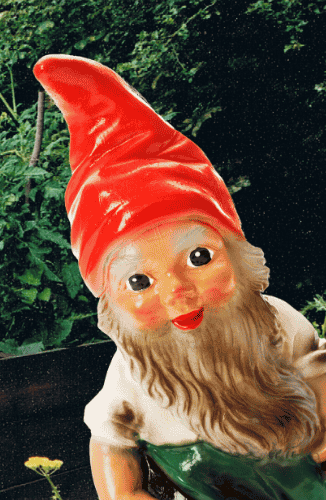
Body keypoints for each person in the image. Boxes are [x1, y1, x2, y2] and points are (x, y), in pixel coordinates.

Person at [32, 54, 326, 500]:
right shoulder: (132, 377)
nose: (177, 292)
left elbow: (315, 371)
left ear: (237, 254)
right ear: (110, 301)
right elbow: (110, 443)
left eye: (199, 256)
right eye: (139, 282)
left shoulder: (277, 323)